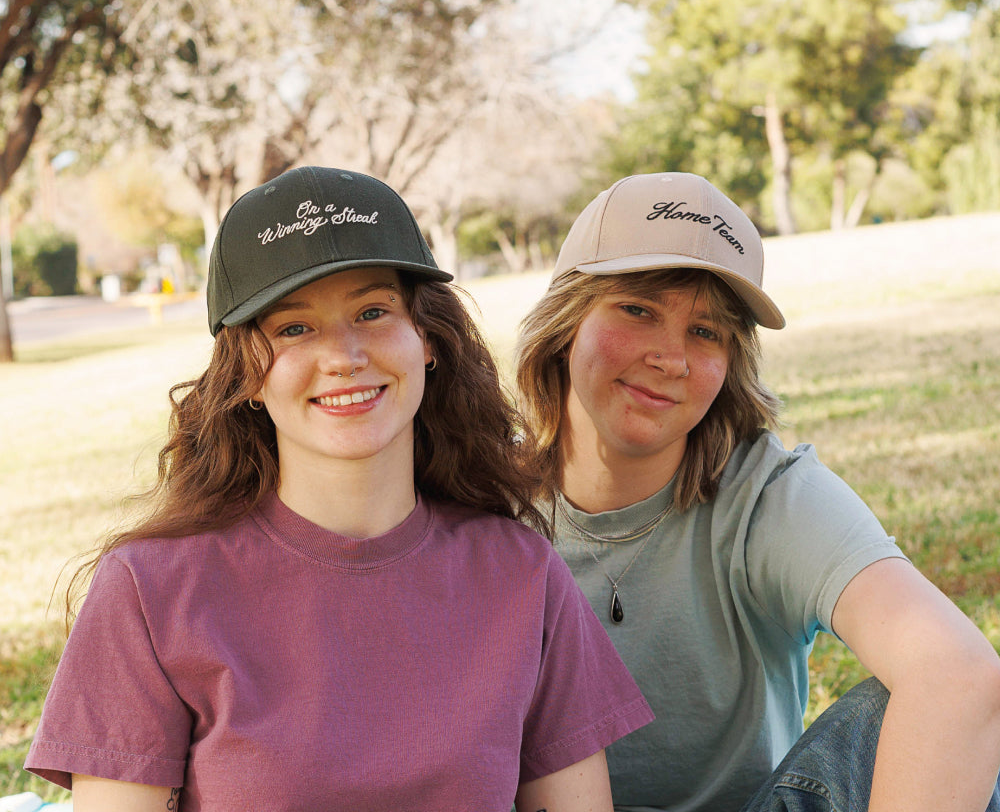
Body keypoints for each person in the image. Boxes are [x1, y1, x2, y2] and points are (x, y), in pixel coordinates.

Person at [26, 166, 654, 812]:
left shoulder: (524, 577)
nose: (344, 354)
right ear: (246, 374)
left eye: (372, 311)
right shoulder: (149, 592)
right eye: (294, 328)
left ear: (428, 339)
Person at [515, 171, 1000, 812]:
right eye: (638, 310)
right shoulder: (482, 507)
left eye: (707, 331)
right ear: (567, 321)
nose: (672, 359)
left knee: (917, 720)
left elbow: (959, 675)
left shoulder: (767, 497)